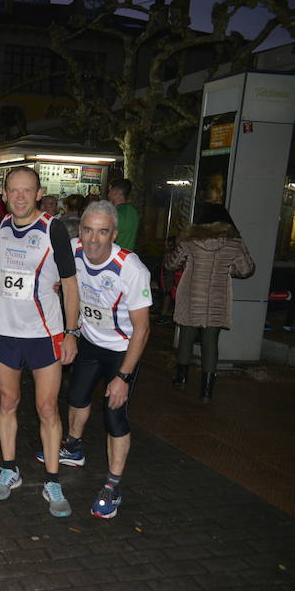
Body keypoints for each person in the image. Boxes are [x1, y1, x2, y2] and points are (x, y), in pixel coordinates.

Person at [0, 166, 79, 518]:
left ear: (39, 193)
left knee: (46, 408)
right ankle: (9, 469)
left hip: (45, 334)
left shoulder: (53, 229)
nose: (21, 196)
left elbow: (69, 284)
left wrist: (72, 333)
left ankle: (52, 480)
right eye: (14, 190)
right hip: (6, 332)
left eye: (28, 190)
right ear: (5, 195)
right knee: (7, 402)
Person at [60, 201, 151, 518]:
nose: (93, 239)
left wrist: (123, 377)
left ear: (114, 233)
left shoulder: (131, 269)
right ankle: (73, 447)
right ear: (80, 230)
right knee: (75, 395)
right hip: (90, 341)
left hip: (122, 349)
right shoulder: (71, 249)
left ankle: (113, 486)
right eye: (88, 229)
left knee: (114, 415)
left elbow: (142, 330)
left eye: (103, 231)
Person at [164, 219, 254, 403]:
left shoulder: (190, 241)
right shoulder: (234, 242)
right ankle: (207, 391)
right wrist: (229, 270)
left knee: (186, 338)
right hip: (217, 299)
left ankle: (181, 379)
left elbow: (172, 265)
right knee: (211, 343)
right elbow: (247, 270)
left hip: (192, 297)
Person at [107, 178, 138, 251]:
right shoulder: (133, 211)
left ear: (115, 192)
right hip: (126, 256)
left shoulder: (115, 213)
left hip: (115, 257)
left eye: (110, 191)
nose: (108, 195)